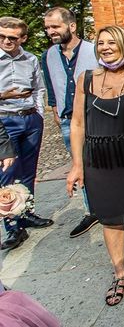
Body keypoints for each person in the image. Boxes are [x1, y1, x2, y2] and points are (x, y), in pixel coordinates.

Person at [66, 26, 124, 306]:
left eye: (111, 42)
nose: (105, 47)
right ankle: (119, 271)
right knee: (109, 217)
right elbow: (77, 123)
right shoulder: (86, 79)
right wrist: (76, 164)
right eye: (101, 43)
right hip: (99, 159)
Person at [42, 7, 99, 238]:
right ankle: (92, 211)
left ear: (71, 26)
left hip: (95, 116)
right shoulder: (48, 55)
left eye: (55, 26)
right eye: (47, 28)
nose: (50, 32)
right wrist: (56, 110)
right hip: (68, 120)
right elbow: (50, 86)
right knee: (79, 165)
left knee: (106, 161)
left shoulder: (93, 50)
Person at [0, 17, 51, 251]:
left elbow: (39, 88)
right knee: (8, 173)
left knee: (29, 170)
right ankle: (12, 226)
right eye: (2, 37)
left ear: (23, 38)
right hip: (4, 120)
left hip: (30, 118)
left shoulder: (30, 58)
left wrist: (38, 114)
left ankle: (27, 212)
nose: (7, 41)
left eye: (12, 37)